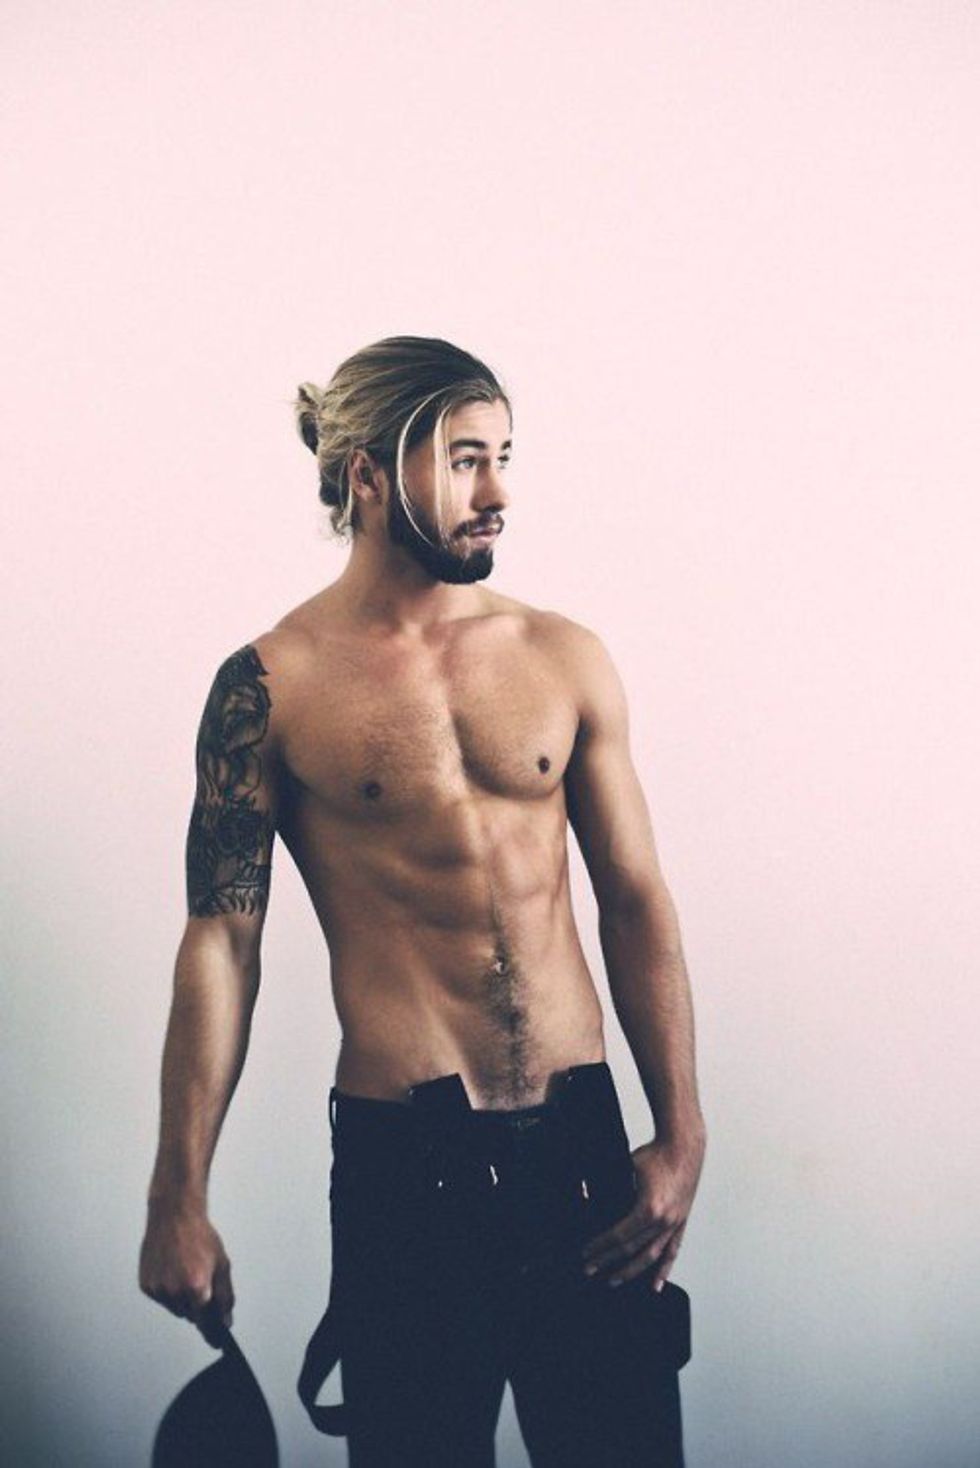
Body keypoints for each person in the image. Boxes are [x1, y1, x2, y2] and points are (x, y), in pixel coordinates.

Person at [139, 335, 708, 1466]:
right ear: (365, 474)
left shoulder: (563, 656)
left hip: (582, 1158)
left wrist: (680, 1134)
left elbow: (635, 897)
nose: (497, 493)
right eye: (461, 460)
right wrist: (177, 1193)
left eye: (502, 457)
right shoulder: (270, 687)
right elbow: (222, 945)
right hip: (408, 1172)